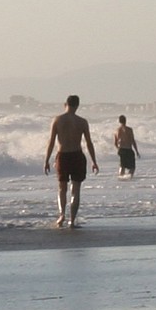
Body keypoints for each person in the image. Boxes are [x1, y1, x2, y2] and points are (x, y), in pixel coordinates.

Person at [42, 94, 100, 227]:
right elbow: (89, 143)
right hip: (77, 156)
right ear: (77, 106)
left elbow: (51, 142)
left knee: (62, 188)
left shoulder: (57, 120)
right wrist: (94, 161)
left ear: (65, 104)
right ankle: (72, 220)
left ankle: (61, 214)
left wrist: (46, 160)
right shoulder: (82, 121)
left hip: (63, 156)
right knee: (76, 189)